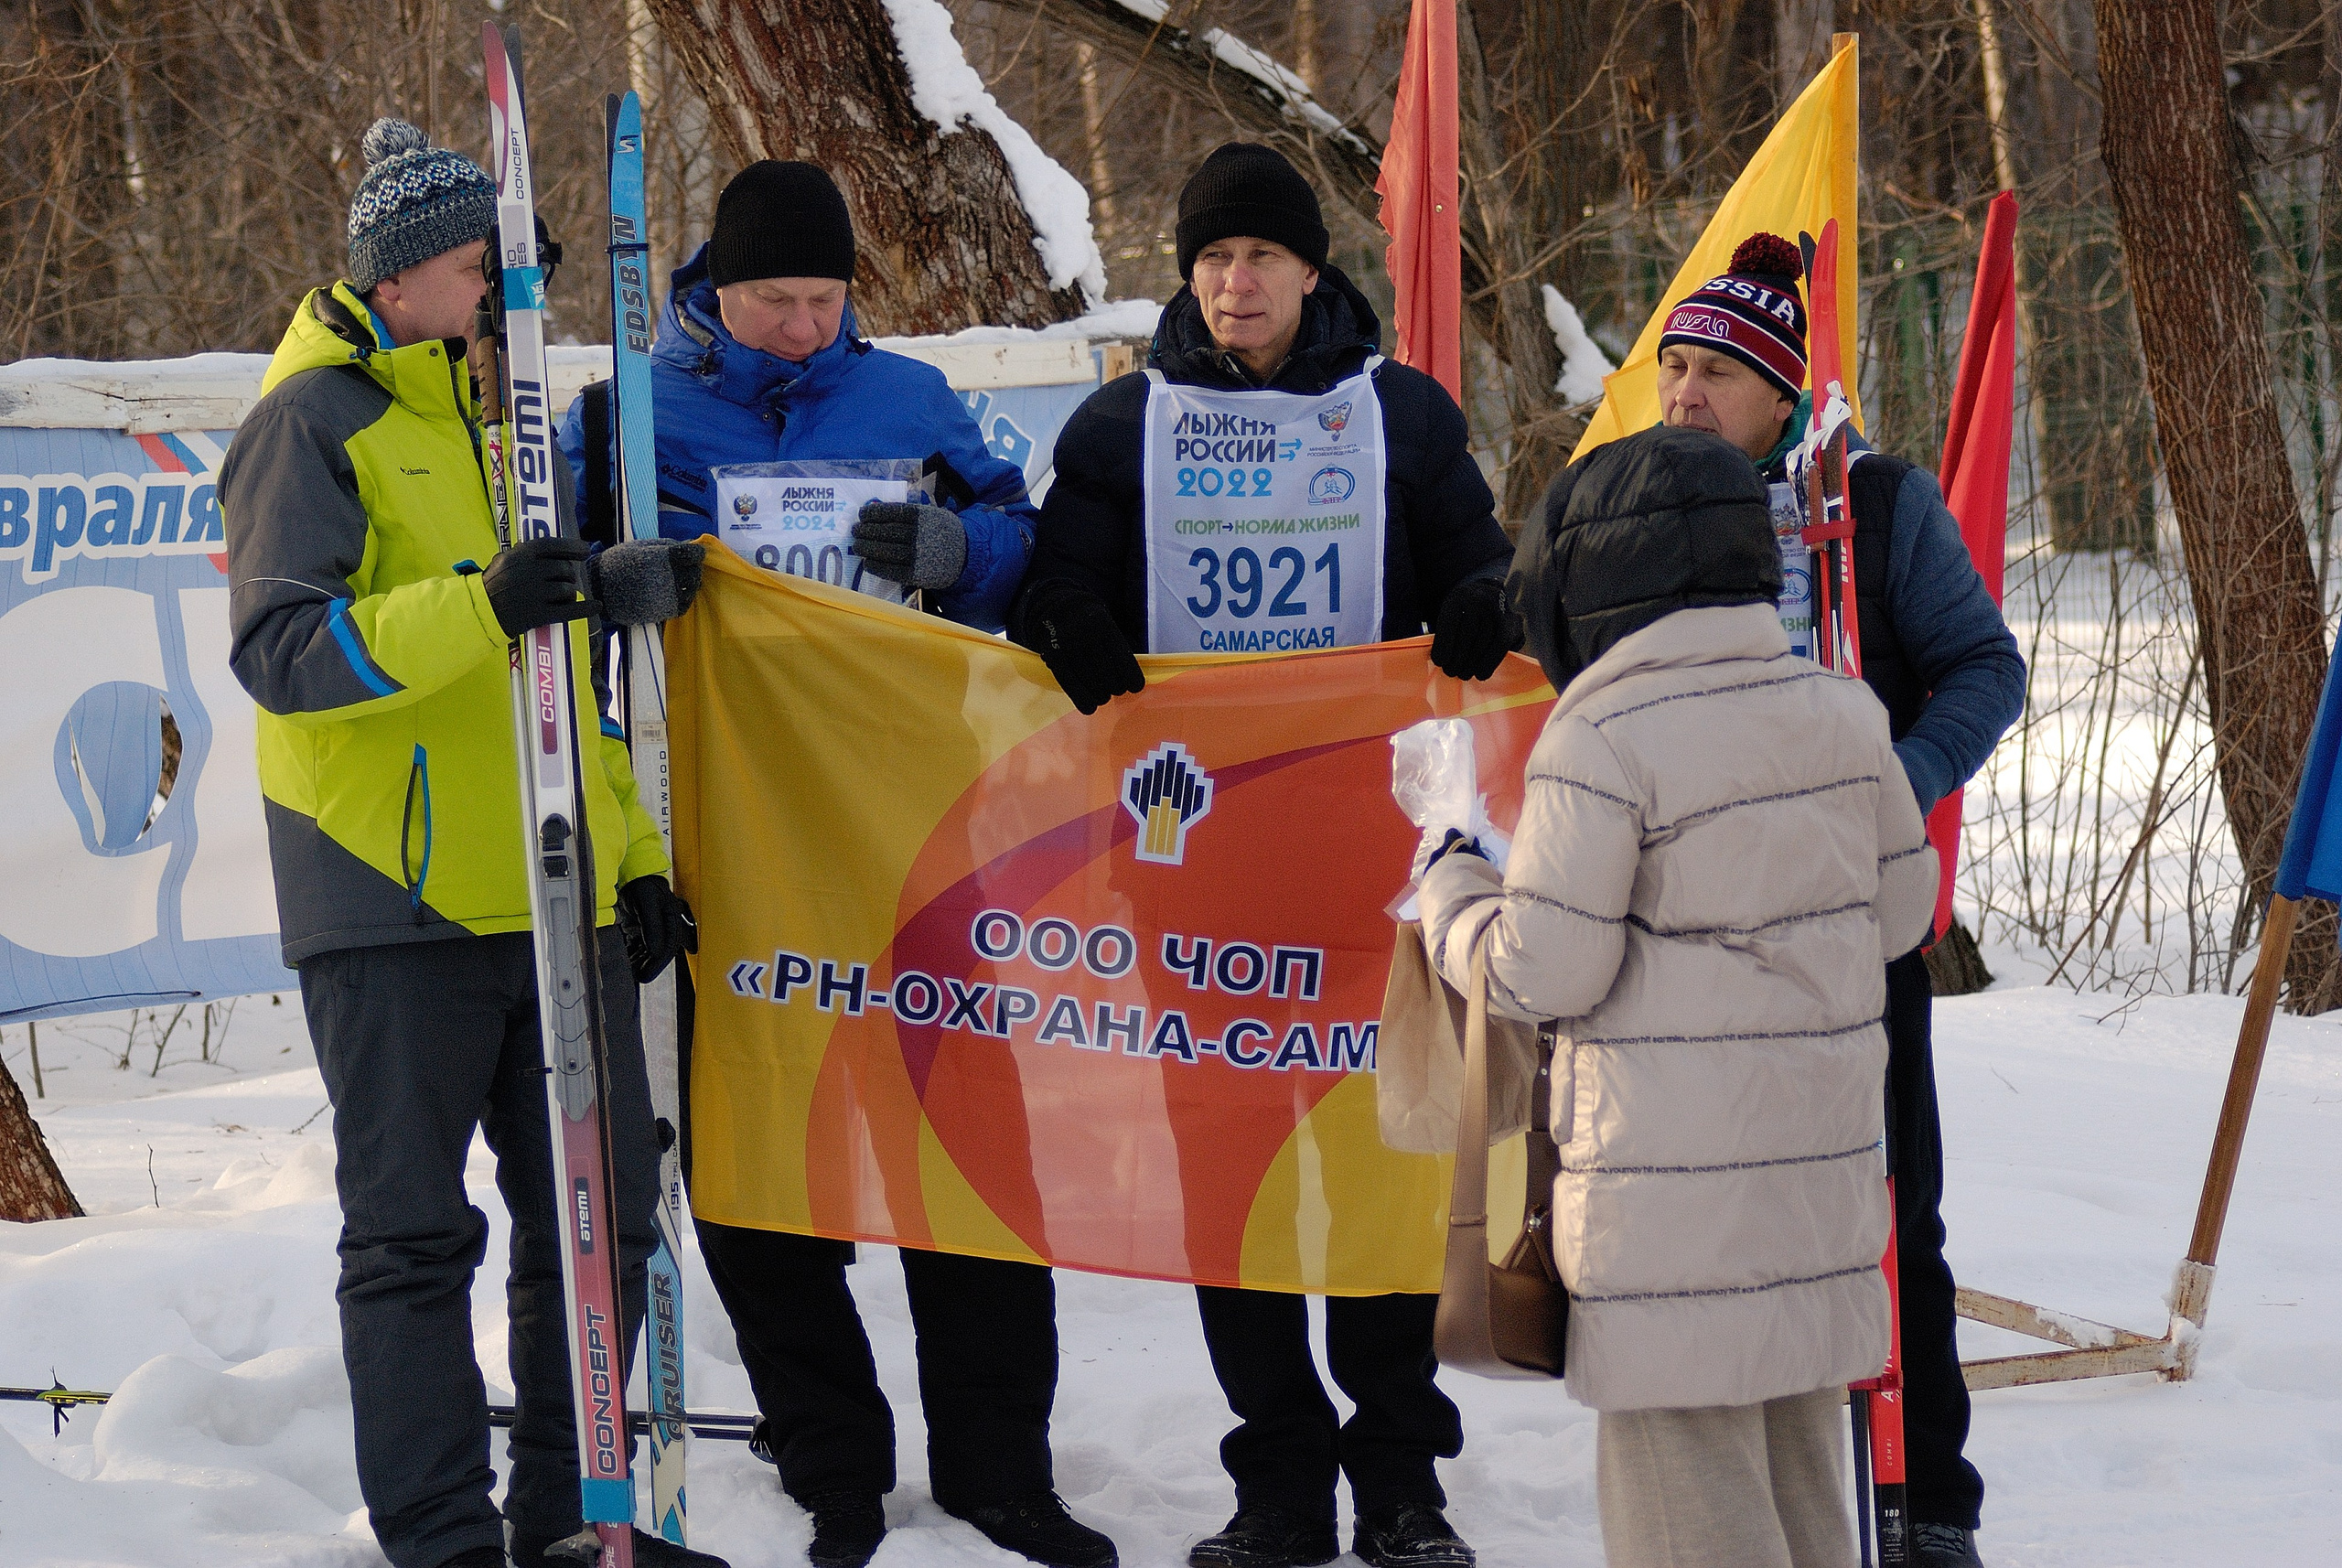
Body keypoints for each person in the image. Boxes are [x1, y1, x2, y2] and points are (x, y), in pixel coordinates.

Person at [559, 161, 1115, 1568]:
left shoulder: (909, 401)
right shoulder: (631, 409)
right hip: (728, 836)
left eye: (823, 299)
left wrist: (954, 550)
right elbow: (548, 575)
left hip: (909, 824)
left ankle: (1002, 1470)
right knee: (756, 1153)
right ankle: (836, 1462)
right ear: (711, 291)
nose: (803, 326)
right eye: (772, 302)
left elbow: (1024, 547)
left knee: (969, 1141)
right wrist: (619, 572)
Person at [1011, 142, 1516, 1568]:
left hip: (1372, 864)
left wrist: (1482, 603)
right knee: (1227, 1183)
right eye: (1215, 258)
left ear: (1312, 272)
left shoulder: (1399, 418)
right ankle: (1278, 1482)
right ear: (1189, 274)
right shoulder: (1123, 426)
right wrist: (1065, 621)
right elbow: (1058, 580)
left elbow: (1483, 564)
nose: (1237, 282)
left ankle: (1403, 1484)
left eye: (1264, 258)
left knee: (1374, 1174)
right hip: (1194, 868)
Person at [218, 119, 714, 1568]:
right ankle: (442, 1542)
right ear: (397, 278)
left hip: (548, 892)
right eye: (477, 266)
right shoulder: (311, 421)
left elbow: (557, 689)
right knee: (415, 1240)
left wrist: (630, 866)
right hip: (389, 899)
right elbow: (283, 647)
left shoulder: (505, 423)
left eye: (517, 268)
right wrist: (482, 601)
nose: (507, 291)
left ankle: (570, 1517)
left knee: (598, 1224)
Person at [1416, 420, 1940, 1568]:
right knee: (1805, 1504)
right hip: (1816, 1203)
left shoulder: (1600, 731)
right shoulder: (1843, 711)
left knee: (1686, 1517)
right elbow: (1906, 918)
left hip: (1666, 1216)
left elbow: (1540, 967)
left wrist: (1453, 885)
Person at [1649, 232, 2025, 1568]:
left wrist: (1892, 781)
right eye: (1672, 367)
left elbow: (1986, 667)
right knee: (1705, 1222)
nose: (1684, 393)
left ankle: (1927, 1499)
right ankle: (1763, 1495)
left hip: (1848, 927)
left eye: (1714, 371)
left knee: (1884, 1213)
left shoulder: (1872, 499)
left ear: (1780, 389)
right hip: (1680, 940)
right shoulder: (1621, 501)